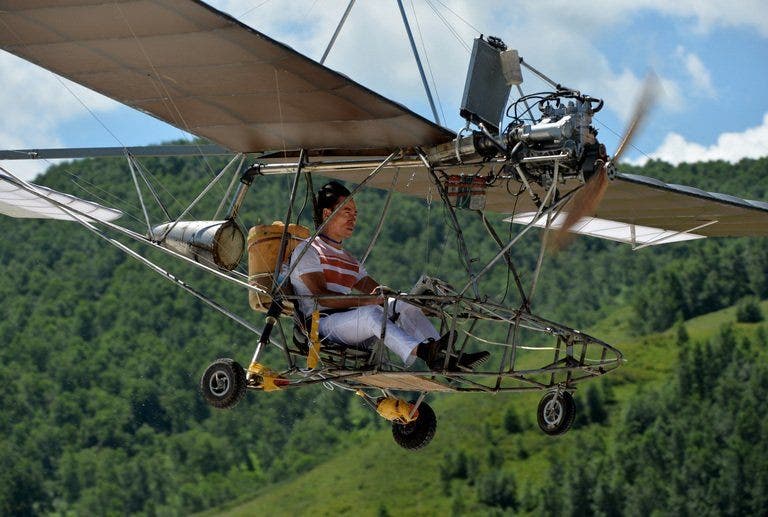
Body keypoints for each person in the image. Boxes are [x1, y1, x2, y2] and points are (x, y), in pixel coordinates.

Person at [289, 181, 489, 370]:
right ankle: (425, 352)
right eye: (346, 212)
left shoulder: (350, 260)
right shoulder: (308, 250)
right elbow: (322, 297)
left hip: (349, 320)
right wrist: (369, 301)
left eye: (355, 213)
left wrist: (416, 302)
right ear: (327, 213)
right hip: (322, 324)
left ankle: (445, 357)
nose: (353, 218)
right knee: (370, 313)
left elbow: (380, 294)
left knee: (403, 304)